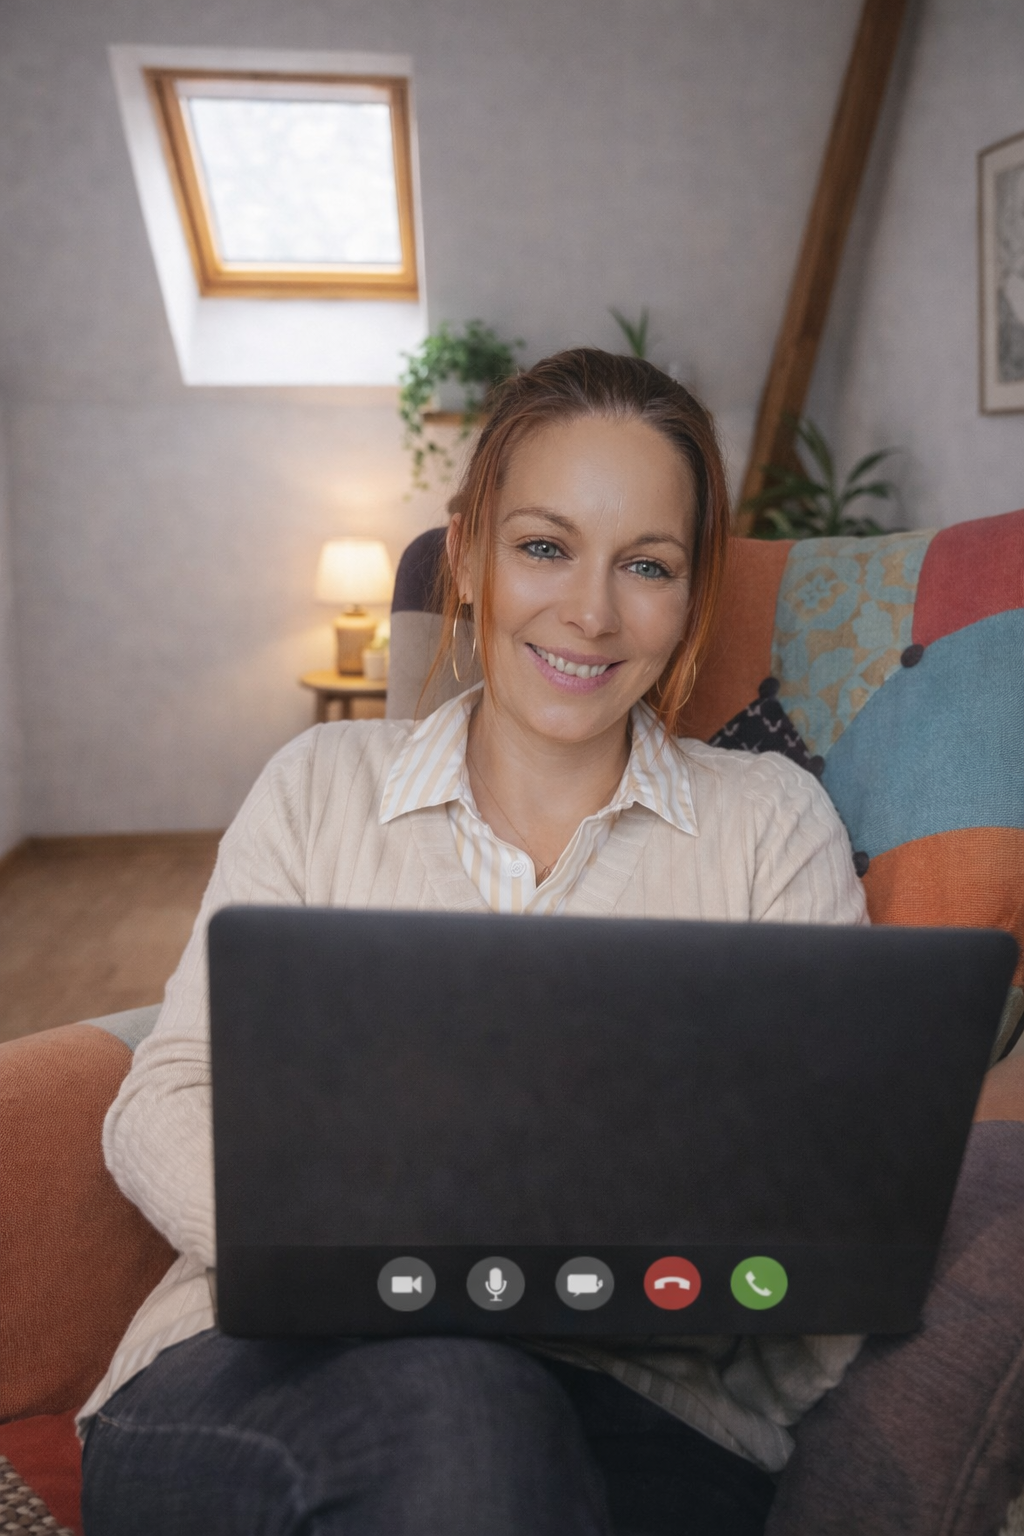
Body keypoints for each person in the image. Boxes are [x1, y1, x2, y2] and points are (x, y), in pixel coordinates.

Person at [79, 350, 1024, 1535]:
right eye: (543, 546)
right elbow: (162, 1097)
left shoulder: (772, 822)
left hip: (637, 1414)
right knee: (460, 1408)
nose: (590, 611)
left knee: (488, 1432)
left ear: (690, 594)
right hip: (271, 1373)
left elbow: (824, 1196)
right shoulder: (319, 784)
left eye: (646, 566)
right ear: (470, 552)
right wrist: (366, 1280)